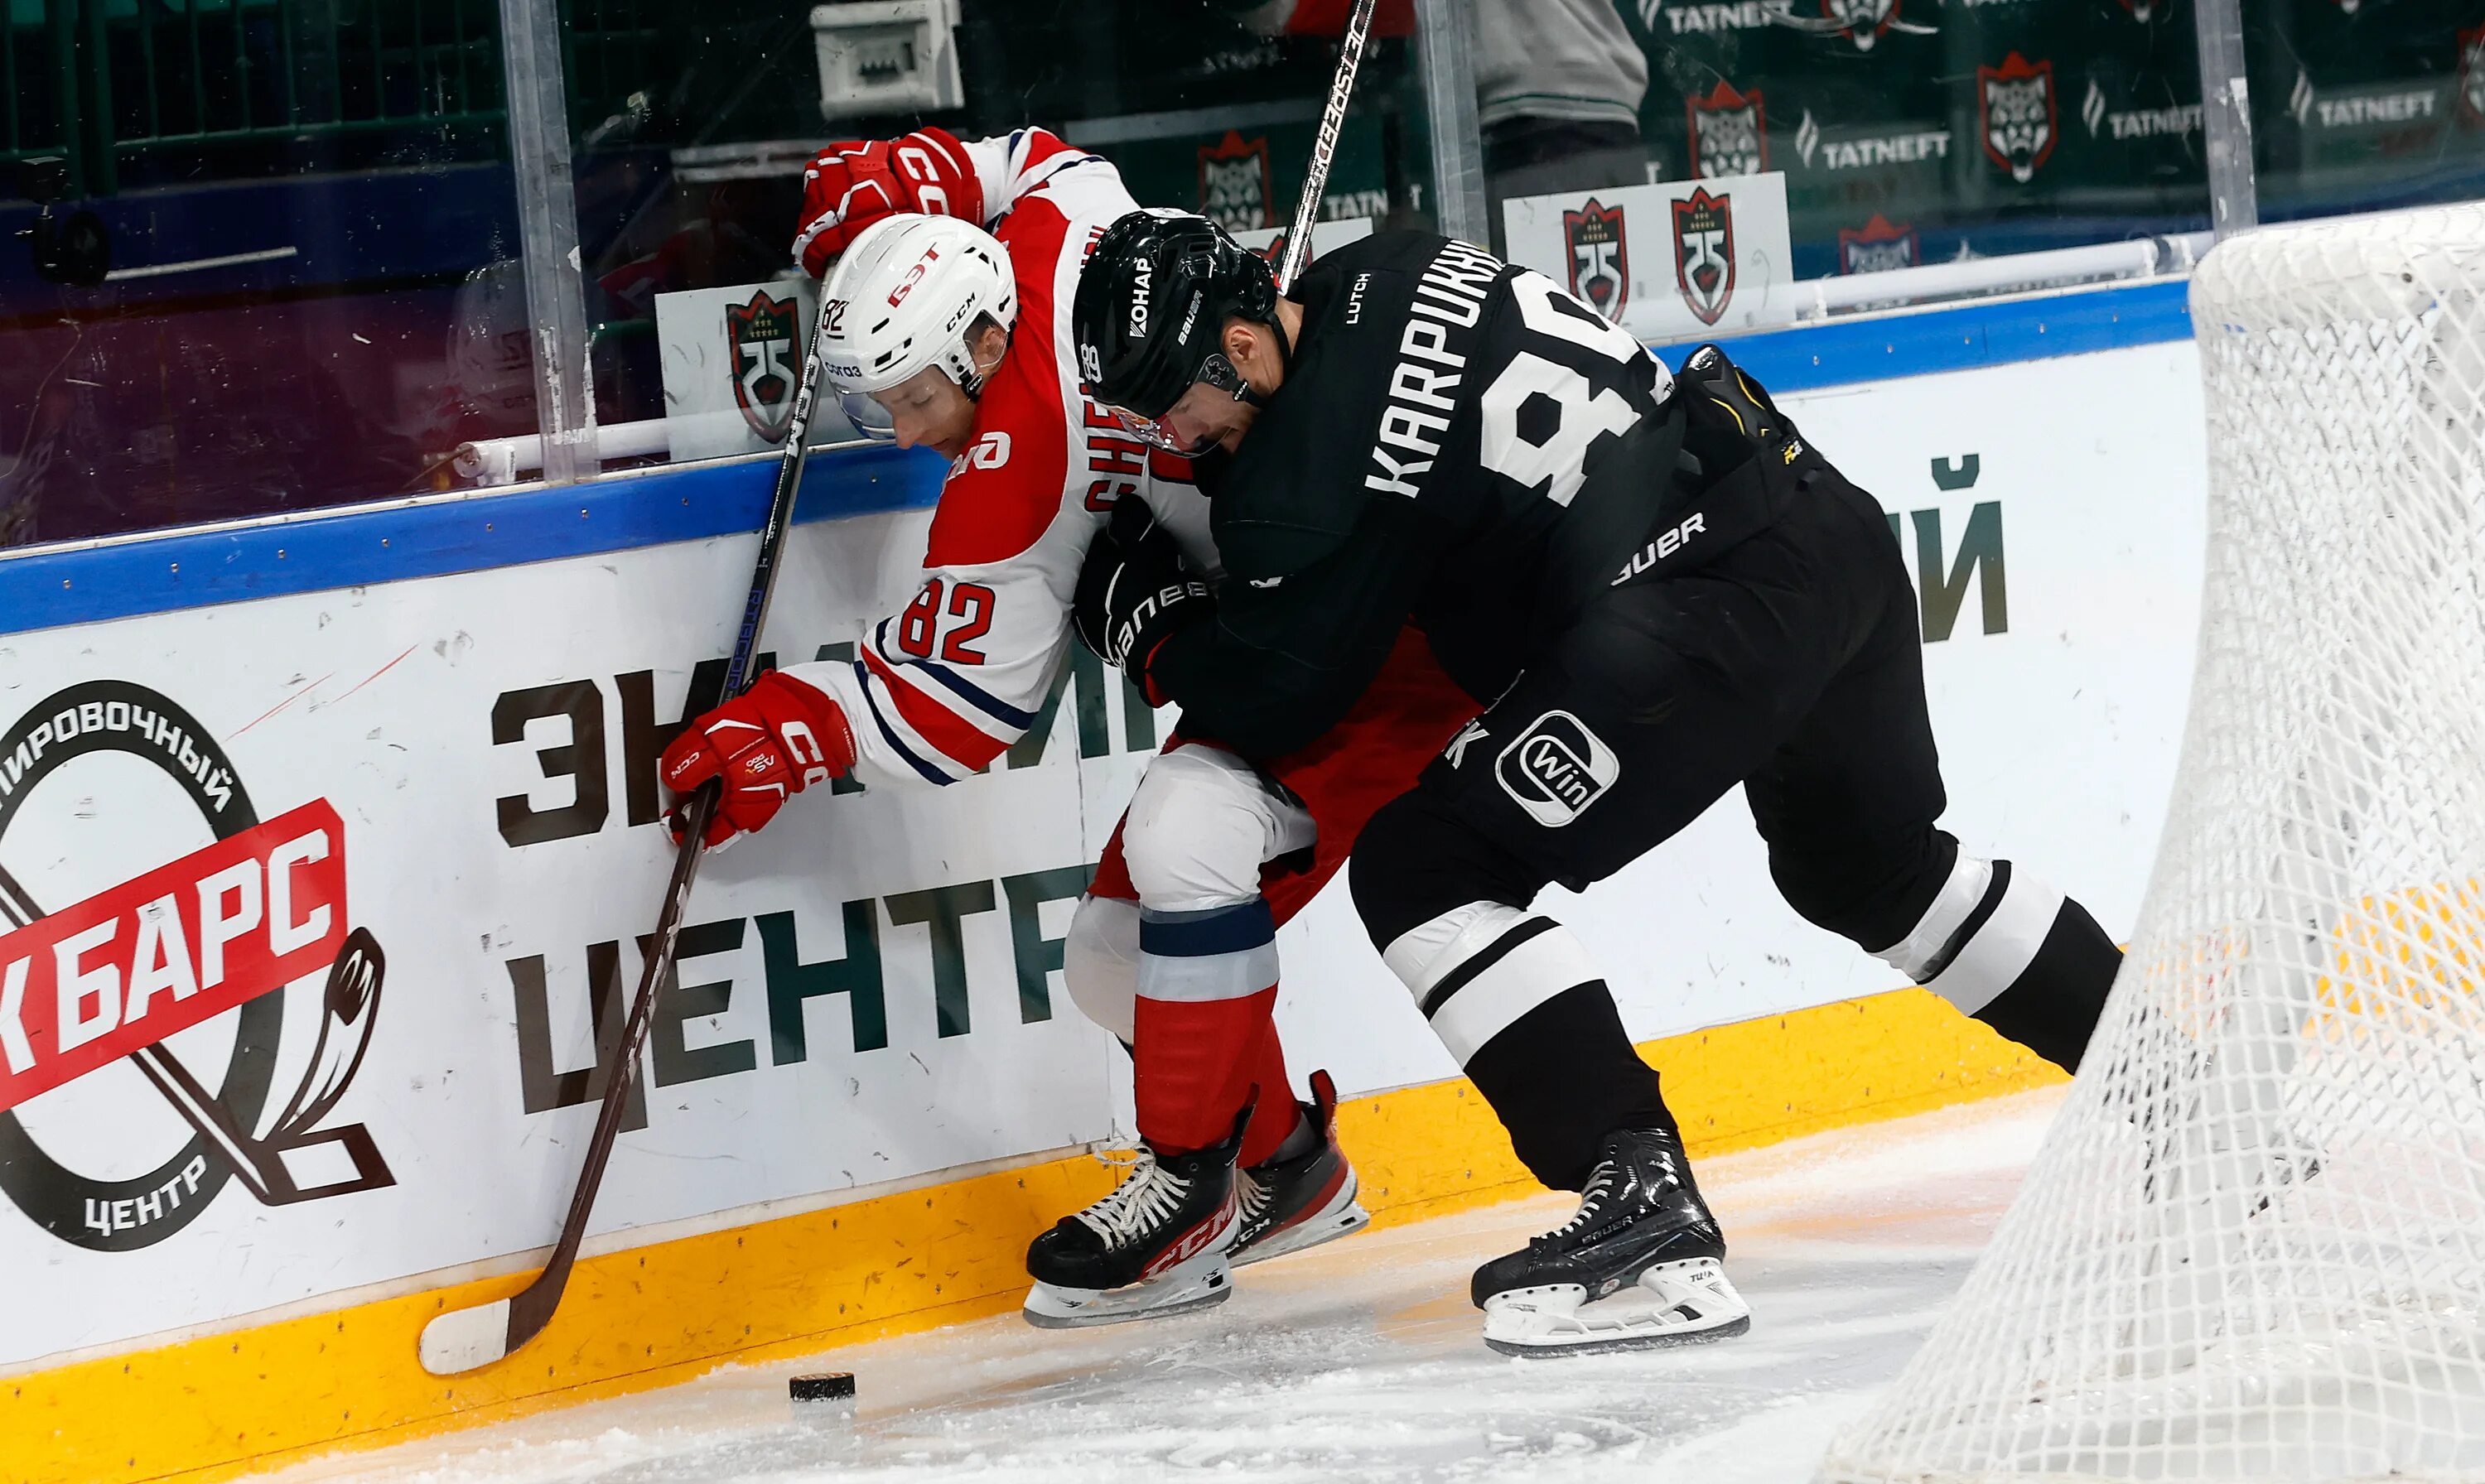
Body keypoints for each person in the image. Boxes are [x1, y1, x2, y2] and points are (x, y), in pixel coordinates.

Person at [1067, 214, 2126, 1355]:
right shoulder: (1382, 263)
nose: (1167, 429)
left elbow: (1277, 698)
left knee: (1428, 867)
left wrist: (1150, 626)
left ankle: (1639, 1199)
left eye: (1171, 397)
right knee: (1871, 871)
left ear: (1244, 342)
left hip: (1694, 610)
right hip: (1813, 518)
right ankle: (2174, 1084)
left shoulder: (1310, 461)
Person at [655, 127, 1475, 1327]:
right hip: (1324, 612)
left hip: (1375, 651)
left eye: (918, 397)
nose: (906, 434)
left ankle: (1192, 1192)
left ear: (982, 347)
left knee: (1166, 887)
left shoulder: (1018, 472)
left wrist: (787, 727)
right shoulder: (1057, 231)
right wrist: (911, 183)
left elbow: (952, 712)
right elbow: (1037, 156)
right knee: (1110, 956)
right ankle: (1287, 1172)